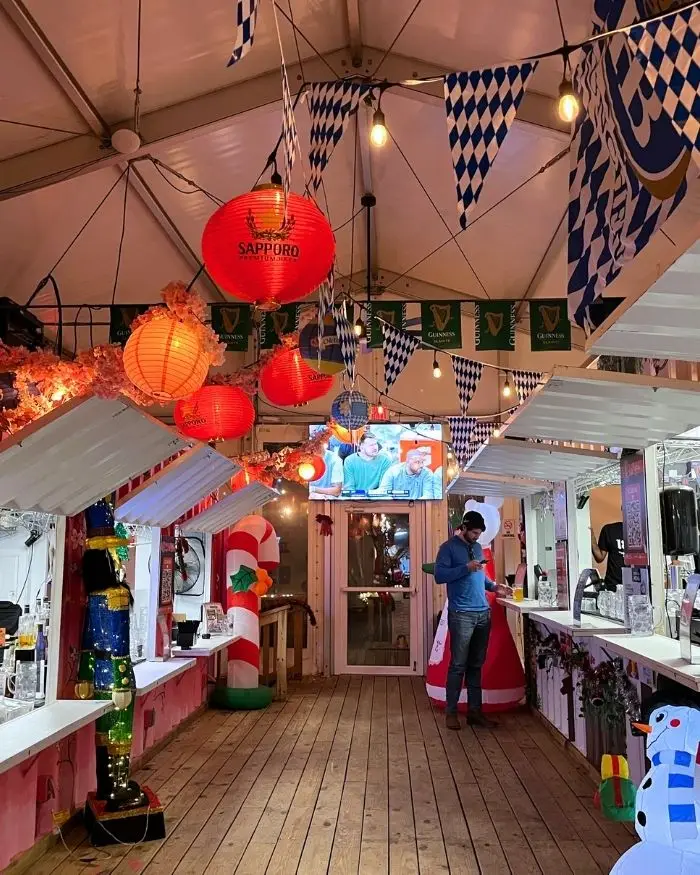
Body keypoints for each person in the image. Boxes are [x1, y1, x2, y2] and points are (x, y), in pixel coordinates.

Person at [434, 510, 512, 730]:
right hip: (461, 614)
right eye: (474, 533)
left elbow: (481, 577)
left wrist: (496, 587)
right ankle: (451, 713)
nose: (477, 537)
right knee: (458, 665)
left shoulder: (477, 548)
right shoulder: (447, 548)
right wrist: (464, 568)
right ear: (464, 528)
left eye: (479, 533)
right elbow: (440, 576)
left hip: (482, 613)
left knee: (476, 665)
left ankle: (475, 712)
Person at [591, 519, 625, 591]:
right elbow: (600, 557)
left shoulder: (645, 530)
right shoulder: (610, 530)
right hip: (613, 587)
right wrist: (591, 537)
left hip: (637, 586)